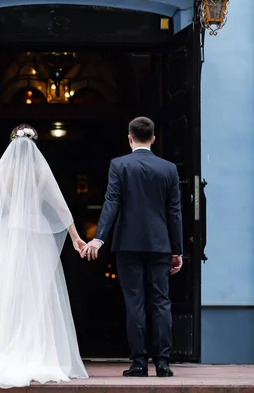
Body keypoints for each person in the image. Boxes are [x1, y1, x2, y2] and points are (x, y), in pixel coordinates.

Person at [0, 124, 88, 388]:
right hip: (36, 236)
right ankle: (36, 350)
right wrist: (75, 237)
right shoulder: (40, 171)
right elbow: (60, 207)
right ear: (34, 145)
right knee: (36, 294)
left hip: (8, 233)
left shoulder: (2, 172)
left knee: (5, 292)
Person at [81, 117, 183, 378]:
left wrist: (99, 238)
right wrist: (177, 250)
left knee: (134, 303)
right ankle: (163, 363)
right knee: (161, 302)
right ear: (153, 138)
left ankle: (139, 363)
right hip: (160, 245)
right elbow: (174, 212)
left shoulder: (119, 165)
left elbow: (112, 201)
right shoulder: (168, 168)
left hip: (127, 244)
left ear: (129, 137)